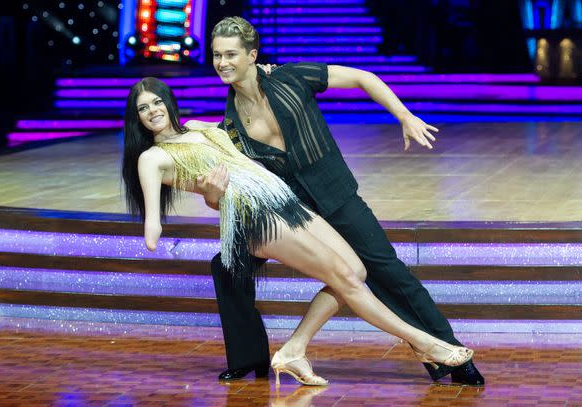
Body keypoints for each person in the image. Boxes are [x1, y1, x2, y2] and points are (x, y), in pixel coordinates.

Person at [121, 77, 474, 386]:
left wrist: (265, 76)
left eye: (156, 102)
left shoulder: (198, 126)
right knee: (346, 279)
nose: (153, 110)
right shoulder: (151, 158)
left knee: (357, 270)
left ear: (168, 102)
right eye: (143, 108)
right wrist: (186, 210)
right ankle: (428, 345)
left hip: (283, 201)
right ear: (136, 119)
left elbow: (241, 136)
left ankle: (294, 350)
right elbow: (157, 223)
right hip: (252, 218)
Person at [202, 16, 485, 386]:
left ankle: (447, 353)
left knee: (388, 272)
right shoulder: (229, 126)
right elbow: (229, 188)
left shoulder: (291, 77)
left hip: (337, 195)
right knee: (227, 264)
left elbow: (363, 78)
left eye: (231, 54)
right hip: (295, 214)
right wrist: (213, 192)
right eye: (216, 55)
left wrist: (403, 114)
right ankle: (249, 357)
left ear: (252, 55)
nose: (222, 62)